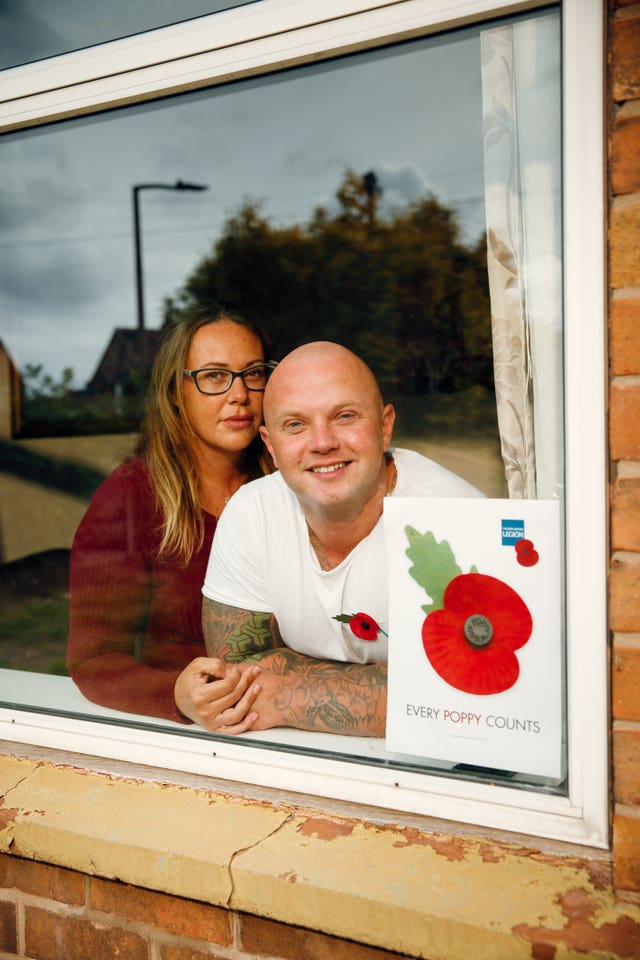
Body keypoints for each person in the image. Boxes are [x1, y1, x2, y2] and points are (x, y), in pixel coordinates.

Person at [202, 340, 483, 737]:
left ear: (384, 426)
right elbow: (233, 676)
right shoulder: (252, 512)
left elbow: (474, 698)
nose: (322, 442)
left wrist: (284, 689)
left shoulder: (455, 520)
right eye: (295, 425)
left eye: (345, 416)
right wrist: (392, 687)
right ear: (270, 445)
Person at [67, 305, 276, 732]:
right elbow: (93, 660)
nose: (239, 394)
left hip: (297, 729)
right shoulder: (130, 496)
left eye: (253, 373)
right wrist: (175, 695)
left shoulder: (289, 487)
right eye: (214, 376)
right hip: (192, 739)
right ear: (174, 393)